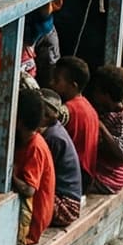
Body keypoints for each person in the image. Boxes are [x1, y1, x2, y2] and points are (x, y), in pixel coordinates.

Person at [85, 65, 123, 197]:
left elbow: (121, 153)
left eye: (97, 91)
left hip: (109, 179)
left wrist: (100, 126)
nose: (94, 94)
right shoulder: (107, 110)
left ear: (106, 95)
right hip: (99, 168)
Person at [13, 88, 56, 245]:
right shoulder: (27, 141)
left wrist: (9, 176)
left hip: (33, 224)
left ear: (18, 121)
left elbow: (29, 189)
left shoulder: (35, 147)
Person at [51, 58, 102, 187]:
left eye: (57, 80)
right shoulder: (89, 107)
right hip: (84, 176)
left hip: (71, 179)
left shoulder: (67, 111)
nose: (52, 83)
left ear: (73, 86)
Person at [40, 90, 86, 225]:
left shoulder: (53, 137)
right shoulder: (54, 131)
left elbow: (44, 177)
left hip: (67, 206)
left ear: (47, 117)